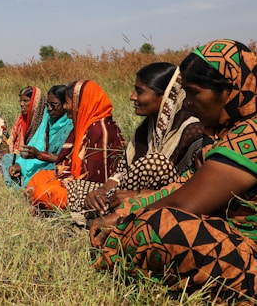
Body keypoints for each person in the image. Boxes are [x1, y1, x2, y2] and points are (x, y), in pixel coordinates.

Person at [90, 40, 257, 302]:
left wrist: (125, 221)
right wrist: (125, 211)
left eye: (193, 93)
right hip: (229, 237)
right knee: (139, 216)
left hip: (251, 256)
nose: (187, 103)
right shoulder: (223, 133)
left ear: (227, 91)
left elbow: (186, 203)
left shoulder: (251, 136)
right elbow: (181, 185)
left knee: (162, 225)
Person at [83, 63, 203, 215]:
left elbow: (196, 186)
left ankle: (115, 212)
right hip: (128, 192)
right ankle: (107, 207)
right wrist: (101, 191)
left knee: (154, 163)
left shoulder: (192, 131)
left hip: (170, 203)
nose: (132, 97)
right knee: (79, 190)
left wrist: (143, 196)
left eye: (139, 92)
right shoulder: (145, 129)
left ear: (166, 96)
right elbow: (122, 173)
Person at [25, 80, 126, 210]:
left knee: (42, 192)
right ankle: (40, 200)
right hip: (72, 181)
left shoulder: (101, 130)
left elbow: (93, 181)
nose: (65, 107)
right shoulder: (82, 125)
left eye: (67, 102)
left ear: (82, 103)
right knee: (40, 177)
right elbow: (67, 165)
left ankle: (40, 201)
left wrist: (60, 184)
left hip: (88, 191)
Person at [2, 85, 73, 187]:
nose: (49, 108)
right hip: (37, 160)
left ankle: (28, 183)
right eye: (47, 104)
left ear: (65, 105)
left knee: (46, 176)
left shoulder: (70, 126)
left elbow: (66, 159)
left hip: (55, 165)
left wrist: (40, 155)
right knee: (7, 158)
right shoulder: (47, 119)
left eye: (54, 105)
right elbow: (36, 144)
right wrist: (20, 165)